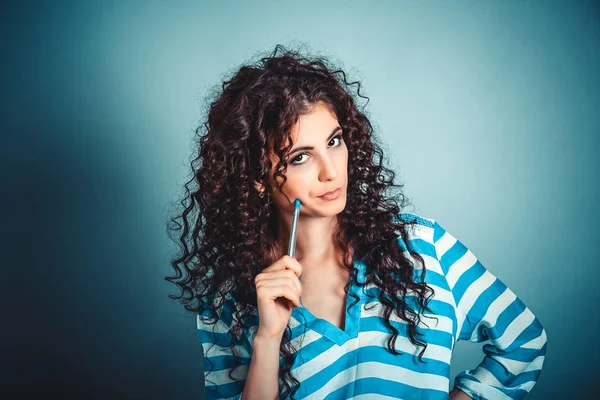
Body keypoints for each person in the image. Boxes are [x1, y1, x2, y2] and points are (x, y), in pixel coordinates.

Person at [166, 44, 547, 400]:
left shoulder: (422, 248)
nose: (331, 172)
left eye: (334, 142)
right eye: (300, 157)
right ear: (256, 176)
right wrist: (268, 339)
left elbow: (524, 342)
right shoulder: (229, 300)